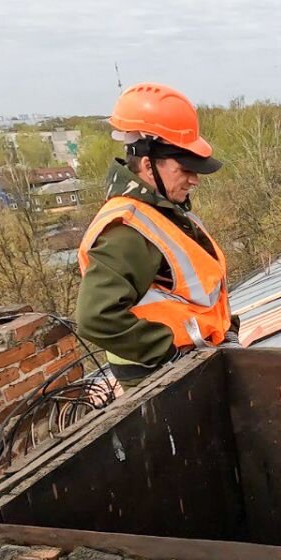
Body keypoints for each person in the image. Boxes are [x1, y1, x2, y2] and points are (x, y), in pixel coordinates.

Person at [76, 83, 238, 388]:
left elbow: (196, 294)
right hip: (163, 381)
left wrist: (228, 330)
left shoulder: (165, 212)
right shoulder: (127, 230)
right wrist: (168, 354)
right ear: (149, 166)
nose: (194, 179)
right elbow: (95, 317)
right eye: (185, 168)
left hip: (196, 363)